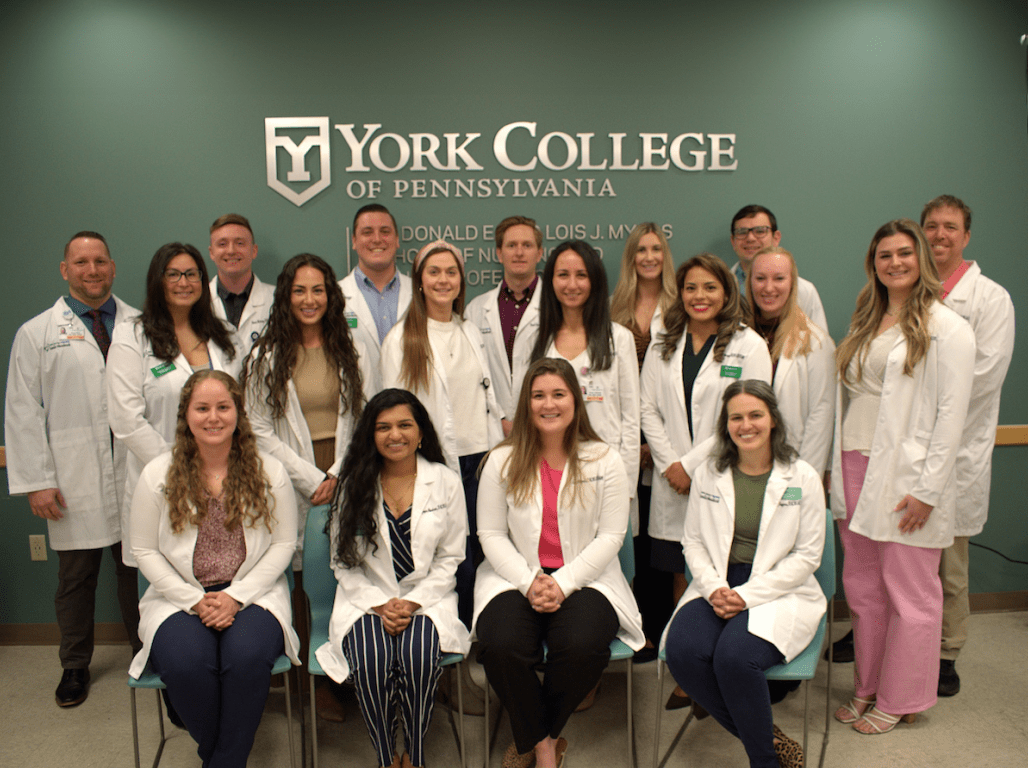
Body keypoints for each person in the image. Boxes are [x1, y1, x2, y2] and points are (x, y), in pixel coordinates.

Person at [831, 218, 974, 735]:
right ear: (874, 263)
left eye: (903, 253)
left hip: (907, 478)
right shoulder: (868, 321)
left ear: (921, 259)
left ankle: (903, 695)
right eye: (884, 255)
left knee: (910, 594)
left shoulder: (948, 327)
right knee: (864, 589)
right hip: (854, 466)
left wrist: (928, 491)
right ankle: (867, 687)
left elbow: (952, 416)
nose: (894, 262)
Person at [474, 358, 644, 768]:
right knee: (499, 644)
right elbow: (491, 535)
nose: (548, 404)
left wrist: (563, 582)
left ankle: (534, 735)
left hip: (586, 578)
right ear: (525, 404)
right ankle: (547, 746)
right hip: (515, 577)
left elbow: (611, 537)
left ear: (575, 400)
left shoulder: (604, 459)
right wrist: (529, 580)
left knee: (582, 645)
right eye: (538, 395)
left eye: (558, 394)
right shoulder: (501, 460)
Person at [128, 370, 299, 768]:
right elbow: (143, 550)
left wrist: (235, 596)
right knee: (186, 663)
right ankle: (225, 757)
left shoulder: (268, 471)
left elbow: (283, 544)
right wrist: (194, 600)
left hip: (252, 593)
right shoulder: (157, 474)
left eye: (223, 407)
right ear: (186, 414)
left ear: (238, 412)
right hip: (180, 597)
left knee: (246, 657)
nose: (213, 417)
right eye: (202, 408)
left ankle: (221, 761)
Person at [5, 231, 141, 708]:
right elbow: (22, 411)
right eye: (81, 262)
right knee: (76, 577)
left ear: (113, 267)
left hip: (135, 473)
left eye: (100, 261)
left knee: (139, 570)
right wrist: (36, 481)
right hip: (72, 477)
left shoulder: (141, 326)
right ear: (65, 270)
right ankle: (74, 665)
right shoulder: (36, 333)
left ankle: (149, 655)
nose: (92, 270)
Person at [663, 380, 825, 768]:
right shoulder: (709, 473)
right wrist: (716, 587)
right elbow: (694, 543)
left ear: (772, 421)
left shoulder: (801, 477)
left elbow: (807, 556)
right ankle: (768, 737)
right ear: (726, 424)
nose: (746, 425)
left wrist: (747, 596)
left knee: (735, 659)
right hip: (717, 581)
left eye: (755, 415)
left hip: (779, 587)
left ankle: (763, 760)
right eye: (736, 417)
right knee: (683, 654)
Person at [639, 253, 772, 709]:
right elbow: (647, 409)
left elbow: (749, 414)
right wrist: (669, 463)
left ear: (726, 292)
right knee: (681, 567)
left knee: (720, 566)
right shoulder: (663, 342)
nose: (700, 297)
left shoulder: (748, 344)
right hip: (670, 477)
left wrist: (692, 465)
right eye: (691, 288)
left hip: (725, 471)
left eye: (710, 287)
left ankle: (724, 661)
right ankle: (688, 668)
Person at [243, 253, 372, 721]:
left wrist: (338, 472)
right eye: (300, 290)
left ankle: (353, 675)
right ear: (286, 296)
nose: (309, 299)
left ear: (330, 295)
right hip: (290, 478)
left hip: (348, 473)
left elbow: (368, 415)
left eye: (318, 289)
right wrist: (312, 477)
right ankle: (312, 686)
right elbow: (256, 427)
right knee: (301, 579)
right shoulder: (266, 355)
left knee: (348, 572)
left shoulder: (351, 346)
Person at [315, 389, 471, 768]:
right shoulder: (353, 485)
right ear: (370, 434)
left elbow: (451, 557)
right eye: (383, 427)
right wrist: (382, 604)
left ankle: (414, 755)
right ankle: (387, 757)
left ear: (420, 433)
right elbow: (342, 563)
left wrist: (413, 602)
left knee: (418, 656)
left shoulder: (445, 481)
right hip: (367, 601)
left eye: (405, 425)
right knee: (371, 659)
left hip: (426, 599)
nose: (394, 435)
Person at [381, 239, 503, 630]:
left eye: (451, 271)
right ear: (419, 281)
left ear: (461, 279)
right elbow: (394, 412)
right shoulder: (402, 339)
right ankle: (449, 640)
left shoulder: (469, 329)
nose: (443, 279)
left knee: (482, 553)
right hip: (433, 466)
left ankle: (476, 636)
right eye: (433, 272)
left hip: (479, 461)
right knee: (448, 559)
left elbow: (488, 394)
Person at [921, 195, 1015, 696]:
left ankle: (947, 650)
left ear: (967, 235)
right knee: (900, 556)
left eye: (950, 227)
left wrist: (922, 416)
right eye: (931, 226)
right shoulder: (905, 289)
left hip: (956, 450)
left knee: (949, 560)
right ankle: (897, 636)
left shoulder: (990, 299)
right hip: (904, 448)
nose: (939, 235)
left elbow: (982, 378)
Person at [107, 242, 238, 567]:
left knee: (224, 571)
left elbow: (241, 406)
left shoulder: (225, 336)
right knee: (163, 575)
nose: (184, 282)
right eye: (174, 274)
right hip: (162, 478)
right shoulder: (132, 336)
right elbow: (126, 419)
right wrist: (183, 471)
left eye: (191, 274)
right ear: (158, 280)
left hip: (226, 478)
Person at [530, 240, 641, 528]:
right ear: (550, 280)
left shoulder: (618, 338)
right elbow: (525, 412)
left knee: (614, 567)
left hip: (608, 472)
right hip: (549, 473)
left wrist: (626, 485)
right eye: (562, 275)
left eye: (581, 275)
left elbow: (631, 419)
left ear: (595, 280)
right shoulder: (535, 340)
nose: (572, 284)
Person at [609, 223, 678, 662]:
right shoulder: (615, 307)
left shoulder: (680, 305)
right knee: (629, 535)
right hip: (624, 438)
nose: (649, 257)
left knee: (661, 543)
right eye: (641, 250)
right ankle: (631, 626)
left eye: (656, 249)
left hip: (668, 438)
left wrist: (655, 443)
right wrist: (632, 441)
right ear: (631, 257)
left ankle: (658, 628)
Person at [746, 246, 835, 476]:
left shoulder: (815, 342)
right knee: (745, 512)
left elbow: (821, 417)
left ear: (793, 284)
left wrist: (802, 484)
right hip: (743, 466)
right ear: (749, 282)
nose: (768, 288)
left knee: (789, 510)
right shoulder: (736, 337)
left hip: (793, 467)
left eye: (779, 279)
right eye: (760, 278)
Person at [466, 215, 545, 437]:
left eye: (527, 245)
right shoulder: (476, 309)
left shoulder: (555, 305)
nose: (519, 252)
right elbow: (472, 374)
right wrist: (499, 418)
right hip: (492, 427)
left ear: (539, 253)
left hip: (544, 425)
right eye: (511, 245)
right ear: (499, 254)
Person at [339, 204, 411, 389]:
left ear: (396, 240)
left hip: (412, 406)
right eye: (367, 232)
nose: (377, 239)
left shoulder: (420, 294)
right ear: (354, 241)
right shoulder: (334, 297)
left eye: (385, 231)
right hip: (357, 406)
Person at [727, 205, 827, 331]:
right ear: (733, 241)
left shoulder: (805, 291)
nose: (750, 238)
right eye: (742, 232)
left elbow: (820, 343)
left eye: (760, 231)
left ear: (776, 238)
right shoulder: (720, 289)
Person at [208, 213, 274, 357]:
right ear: (211, 252)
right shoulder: (197, 302)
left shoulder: (278, 300)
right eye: (222, 244)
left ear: (254, 251)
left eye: (240, 243)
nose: (231, 251)